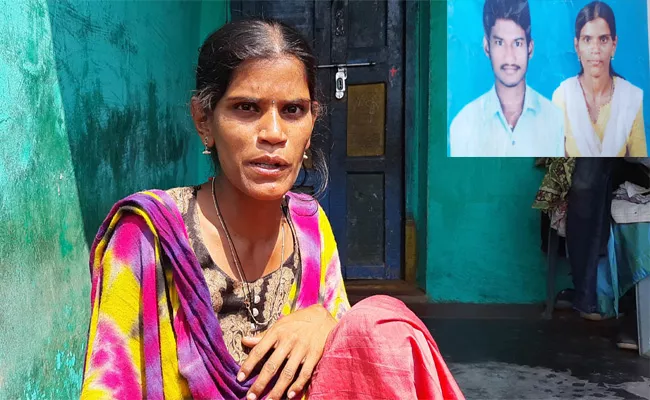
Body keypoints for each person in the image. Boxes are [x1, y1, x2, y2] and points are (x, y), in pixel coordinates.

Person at [80, 18, 464, 400]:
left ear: (312, 123)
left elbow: (345, 372)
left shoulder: (310, 228)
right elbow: (111, 384)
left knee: (382, 325)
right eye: (247, 107)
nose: (274, 133)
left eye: (293, 110)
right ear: (204, 120)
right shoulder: (149, 239)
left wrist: (326, 322)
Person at [449, 0, 565, 157]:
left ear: (530, 49)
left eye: (517, 43)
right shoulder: (463, 124)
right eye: (499, 42)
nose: (509, 56)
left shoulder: (555, 120)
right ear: (486, 47)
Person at [552, 1, 647, 157]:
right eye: (587, 40)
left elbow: (641, 171)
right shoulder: (563, 97)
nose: (595, 50)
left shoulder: (631, 98)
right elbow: (555, 171)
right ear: (577, 47)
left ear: (614, 45)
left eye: (603, 39)